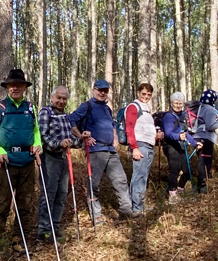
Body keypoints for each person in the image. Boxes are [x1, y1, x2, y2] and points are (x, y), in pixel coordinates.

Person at [0, 69, 44, 246]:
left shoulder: (30, 108)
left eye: (19, 84)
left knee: (24, 204)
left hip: (27, 163)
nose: (15, 88)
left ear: (24, 87)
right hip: (6, 162)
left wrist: (38, 144)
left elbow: (36, 130)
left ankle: (19, 237)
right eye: (11, 85)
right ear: (7, 87)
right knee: (3, 203)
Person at [66, 79, 137, 220]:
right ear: (94, 90)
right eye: (100, 90)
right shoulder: (86, 106)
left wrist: (115, 137)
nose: (102, 93)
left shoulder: (107, 108)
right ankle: (96, 216)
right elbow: (70, 120)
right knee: (94, 184)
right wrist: (81, 136)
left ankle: (126, 210)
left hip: (110, 150)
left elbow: (112, 124)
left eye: (105, 91)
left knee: (121, 180)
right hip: (94, 151)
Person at [37, 86, 80, 240]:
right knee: (48, 194)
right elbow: (42, 137)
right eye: (59, 98)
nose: (61, 101)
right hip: (49, 159)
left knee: (61, 195)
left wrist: (81, 139)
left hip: (64, 159)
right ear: (52, 97)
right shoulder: (45, 113)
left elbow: (71, 140)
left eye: (64, 99)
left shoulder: (66, 116)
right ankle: (44, 230)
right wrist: (58, 143)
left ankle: (55, 227)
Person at [123, 83, 158, 213]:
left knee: (144, 176)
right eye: (143, 94)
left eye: (149, 94)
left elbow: (145, 128)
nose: (146, 96)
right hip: (140, 145)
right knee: (138, 176)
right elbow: (129, 128)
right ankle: (136, 208)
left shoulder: (146, 109)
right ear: (138, 93)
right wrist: (135, 147)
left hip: (148, 146)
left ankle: (140, 205)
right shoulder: (133, 107)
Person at [160, 93, 198, 203]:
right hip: (170, 145)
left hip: (180, 145)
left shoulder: (182, 115)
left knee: (187, 170)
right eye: (176, 103)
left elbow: (186, 133)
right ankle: (172, 194)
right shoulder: (169, 116)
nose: (178, 105)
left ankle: (179, 189)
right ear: (171, 104)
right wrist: (178, 136)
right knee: (174, 169)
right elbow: (168, 133)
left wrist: (195, 143)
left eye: (180, 103)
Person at [192, 90, 218, 192]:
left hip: (197, 136)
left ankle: (202, 184)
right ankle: (202, 185)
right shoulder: (210, 110)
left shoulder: (200, 108)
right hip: (205, 138)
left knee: (201, 161)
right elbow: (210, 126)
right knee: (205, 162)